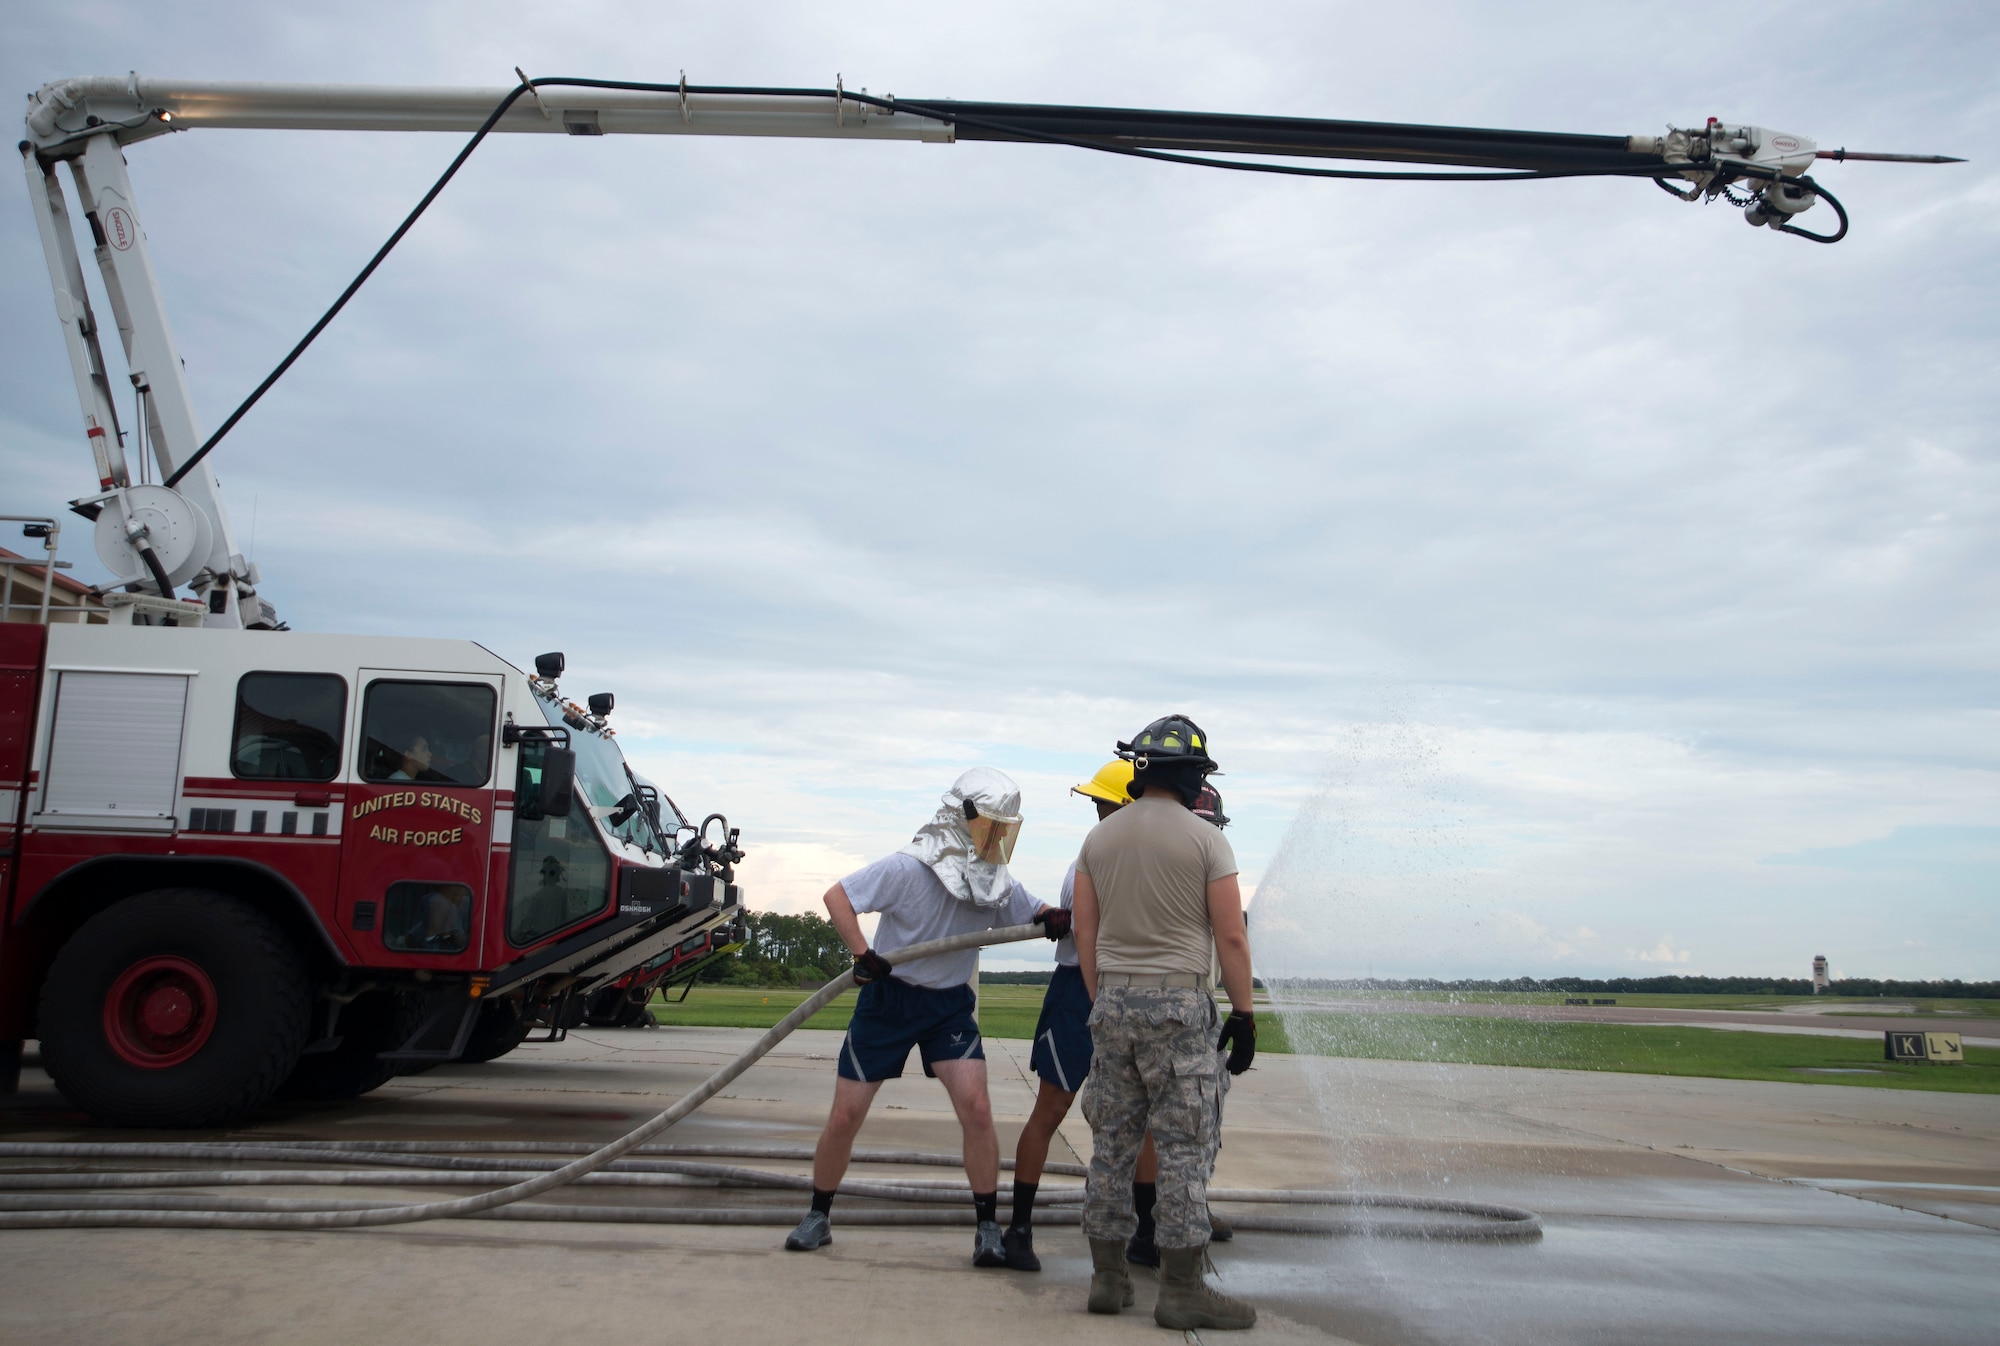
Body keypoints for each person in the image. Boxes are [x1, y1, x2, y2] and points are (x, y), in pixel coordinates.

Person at [784, 768, 1063, 1267]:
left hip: (948, 1007)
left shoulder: (994, 883)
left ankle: (986, 1229)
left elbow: (1034, 910)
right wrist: (862, 954)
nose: (997, 838)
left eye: (1005, 829)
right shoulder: (907, 868)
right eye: (991, 826)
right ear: (965, 817)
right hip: (889, 1000)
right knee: (846, 1115)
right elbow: (838, 897)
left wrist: (1055, 917)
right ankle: (818, 1214)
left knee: (977, 1110)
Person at [1073, 715, 1259, 1331]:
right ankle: (1181, 1291)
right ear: (1192, 777)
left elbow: (1085, 932)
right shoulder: (1208, 840)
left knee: (1112, 1149)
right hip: (1179, 1008)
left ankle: (1107, 1279)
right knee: (1182, 1151)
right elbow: (1231, 935)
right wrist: (1244, 1013)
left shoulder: (1098, 842)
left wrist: (1105, 1000)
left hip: (1113, 1006)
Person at [1000, 758, 1133, 1271]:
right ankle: (1019, 1230)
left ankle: (1143, 1233)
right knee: (1051, 1110)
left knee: (1138, 1118)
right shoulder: (1087, 863)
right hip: (1079, 992)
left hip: (1119, 991)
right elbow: (1086, 937)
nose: (1098, 811)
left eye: (1104, 802)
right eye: (1098, 803)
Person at [1124, 779, 1238, 1268]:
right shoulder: (1169, 869)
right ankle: (1151, 1226)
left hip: (1198, 1012)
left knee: (1200, 1123)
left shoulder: (1199, 865)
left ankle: (1191, 1209)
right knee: (1164, 1126)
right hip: (1174, 1012)